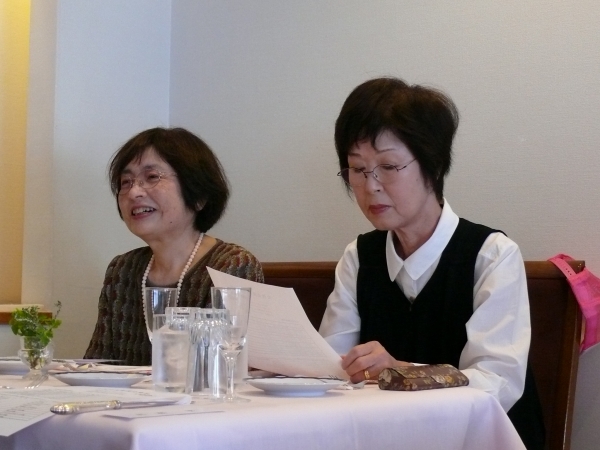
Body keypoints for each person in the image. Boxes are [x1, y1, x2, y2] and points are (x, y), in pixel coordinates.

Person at [318, 77, 544, 449]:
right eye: (357, 169)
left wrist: (403, 372)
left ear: (434, 165)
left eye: (389, 166)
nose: (371, 186)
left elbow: (495, 383)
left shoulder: (491, 255)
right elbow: (333, 370)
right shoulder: (359, 257)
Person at [85, 127, 263, 366]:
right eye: (126, 182)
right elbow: (96, 367)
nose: (134, 192)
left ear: (198, 196)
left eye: (152, 177)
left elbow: (218, 369)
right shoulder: (121, 269)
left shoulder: (232, 265)